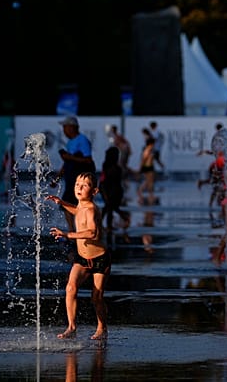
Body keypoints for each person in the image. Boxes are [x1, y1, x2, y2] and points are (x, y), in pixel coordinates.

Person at [48, 172, 110, 341]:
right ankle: (71, 327)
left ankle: (102, 327)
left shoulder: (91, 209)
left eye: (85, 185)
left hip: (99, 259)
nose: (79, 188)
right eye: (77, 184)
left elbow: (92, 232)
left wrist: (67, 235)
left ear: (94, 191)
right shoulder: (81, 205)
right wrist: (62, 203)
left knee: (96, 297)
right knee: (71, 288)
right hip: (82, 259)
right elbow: (77, 211)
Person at [56, 116, 96, 231]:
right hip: (71, 179)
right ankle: (72, 230)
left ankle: (80, 230)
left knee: (77, 204)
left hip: (79, 180)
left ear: (72, 127)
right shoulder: (70, 142)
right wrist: (58, 177)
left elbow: (88, 160)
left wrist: (70, 158)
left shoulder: (82, 140)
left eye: (65, 127)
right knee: (67, 204)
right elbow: (67, 161)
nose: (64, 130)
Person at [99, 146, 130, 241]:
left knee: (109, 208)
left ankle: (105, 225)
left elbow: (105, 179)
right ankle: (106, 224)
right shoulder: (112, 167)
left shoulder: (110, 166)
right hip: (111, 190)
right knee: (109, 208)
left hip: (112, 190)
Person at [136, 136, 156, 203]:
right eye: (153, 143)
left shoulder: (150, 150)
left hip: (150, 166)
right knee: (149, 181)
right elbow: (143, 159)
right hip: (147, 167)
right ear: (151, 143)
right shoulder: (147, 150)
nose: (154, 145)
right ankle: (147, 193)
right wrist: (140, 168)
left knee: (150, 181)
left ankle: (144, 192)